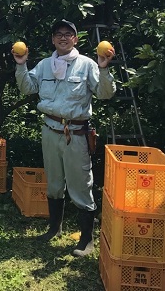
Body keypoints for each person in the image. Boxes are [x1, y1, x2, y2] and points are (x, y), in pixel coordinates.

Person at [13, 19, 115, 256]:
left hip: (76, 134)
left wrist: (104, 68)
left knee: (81, 186)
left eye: (68, 34)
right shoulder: (45, 65)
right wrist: (21, 65)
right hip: (50, 131)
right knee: (54, 183)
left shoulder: (88, 65)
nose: (63, 37)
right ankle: (54, 229)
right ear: (52, 39)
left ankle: (86, 240)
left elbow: (105, 94)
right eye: (58, 34)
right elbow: (27, 88)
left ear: (75, 39)